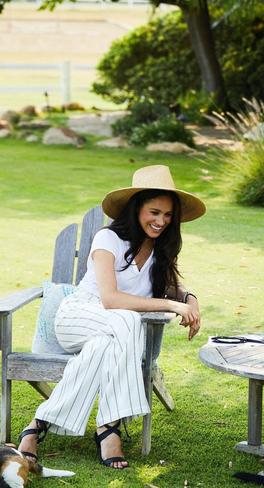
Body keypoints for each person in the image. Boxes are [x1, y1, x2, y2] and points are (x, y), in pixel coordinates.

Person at [17, 165, 206, 469]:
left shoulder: (159, 248)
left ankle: (35, 427)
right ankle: (110, 428)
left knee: (101, 348)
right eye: (154, 212)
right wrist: (172, 307)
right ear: (137, 208)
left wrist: (189, 298)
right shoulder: (108, 239)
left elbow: (172, 285)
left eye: (168, 215)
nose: (161, 221)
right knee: (128, 319)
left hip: (111, 334)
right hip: (79, 317)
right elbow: (111, 299)